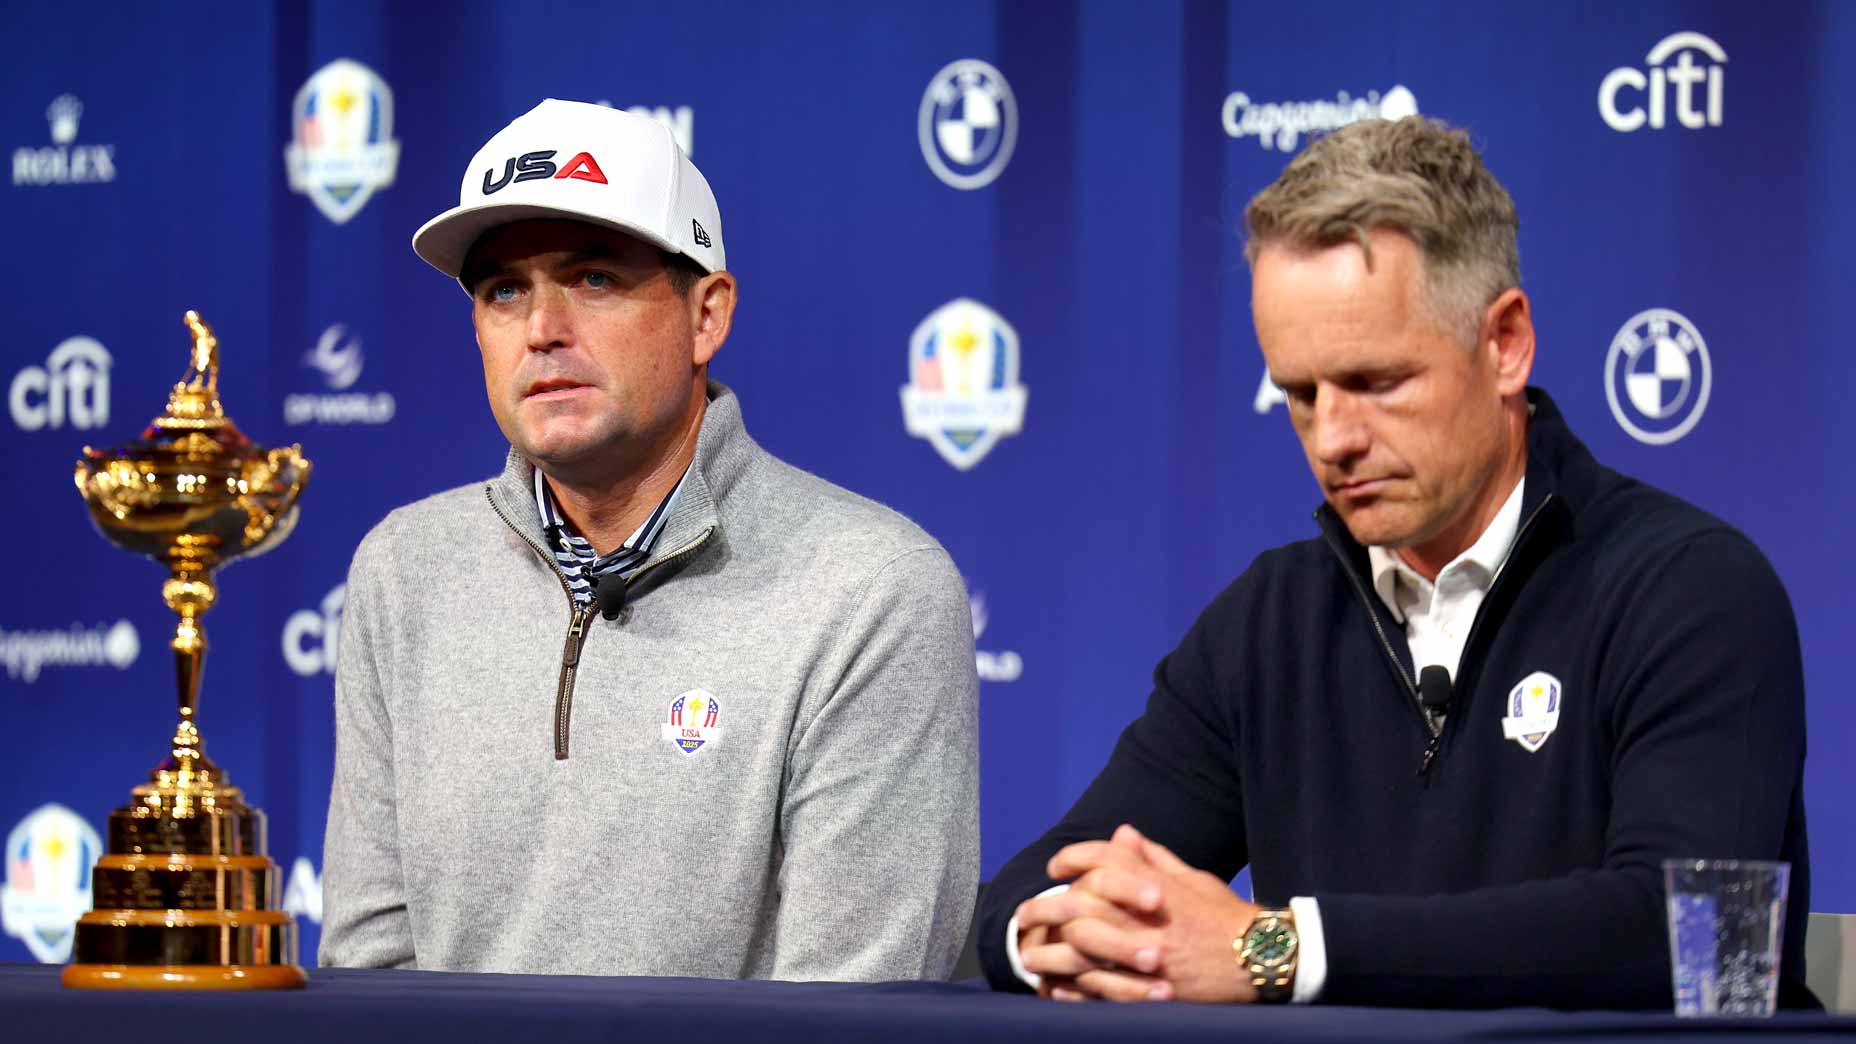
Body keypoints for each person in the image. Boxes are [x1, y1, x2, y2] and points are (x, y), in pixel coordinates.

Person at [977, 116, 1812, 1009]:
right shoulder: (1270, 623)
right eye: (1299, 394)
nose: (1333, 439)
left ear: (1504, 345)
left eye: (1377, 383)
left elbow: (1697, 942)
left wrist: (1279, 949)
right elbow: (1032, 892)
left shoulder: (1694, 590)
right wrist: (1068, 935)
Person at [320, 99, 979, 981]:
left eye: (593, 278)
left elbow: (853, 1008)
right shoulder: (405, 570)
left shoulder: (871, 588)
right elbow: (369, 975)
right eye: (503, 290)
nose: (542, 328)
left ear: (707, 315)